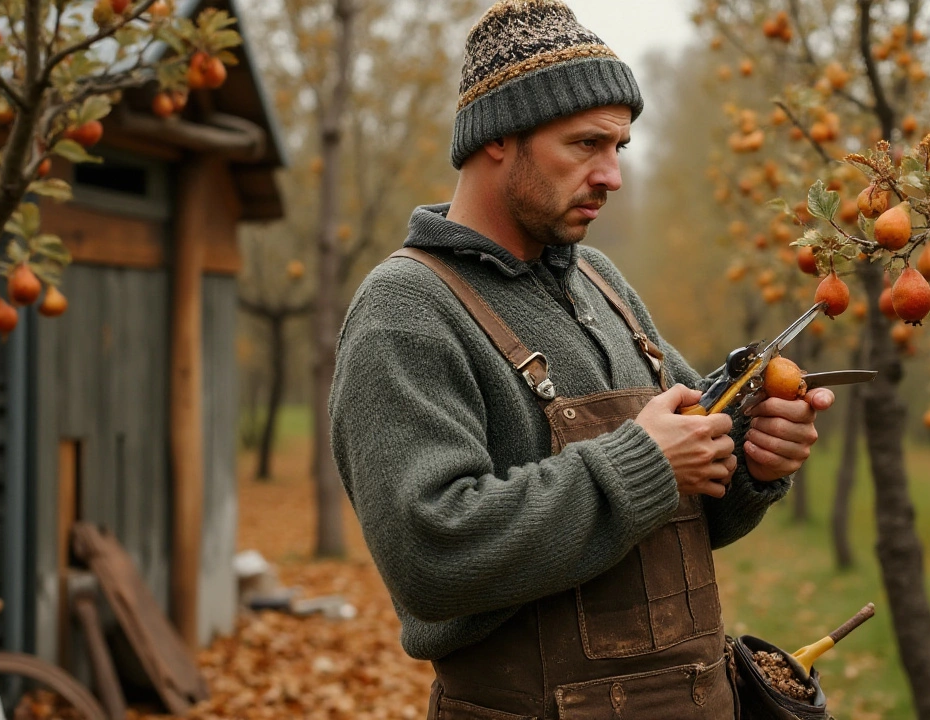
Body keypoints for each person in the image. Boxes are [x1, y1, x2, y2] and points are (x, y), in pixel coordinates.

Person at [329, 1, 834, 718]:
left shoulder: (601, 283)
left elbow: (688, 516)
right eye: (585, 145)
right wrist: (646, 463)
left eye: (619, 148)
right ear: (499, 137)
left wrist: (753, 462)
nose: (612, 175)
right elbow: (429, 557)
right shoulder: (406, 309)